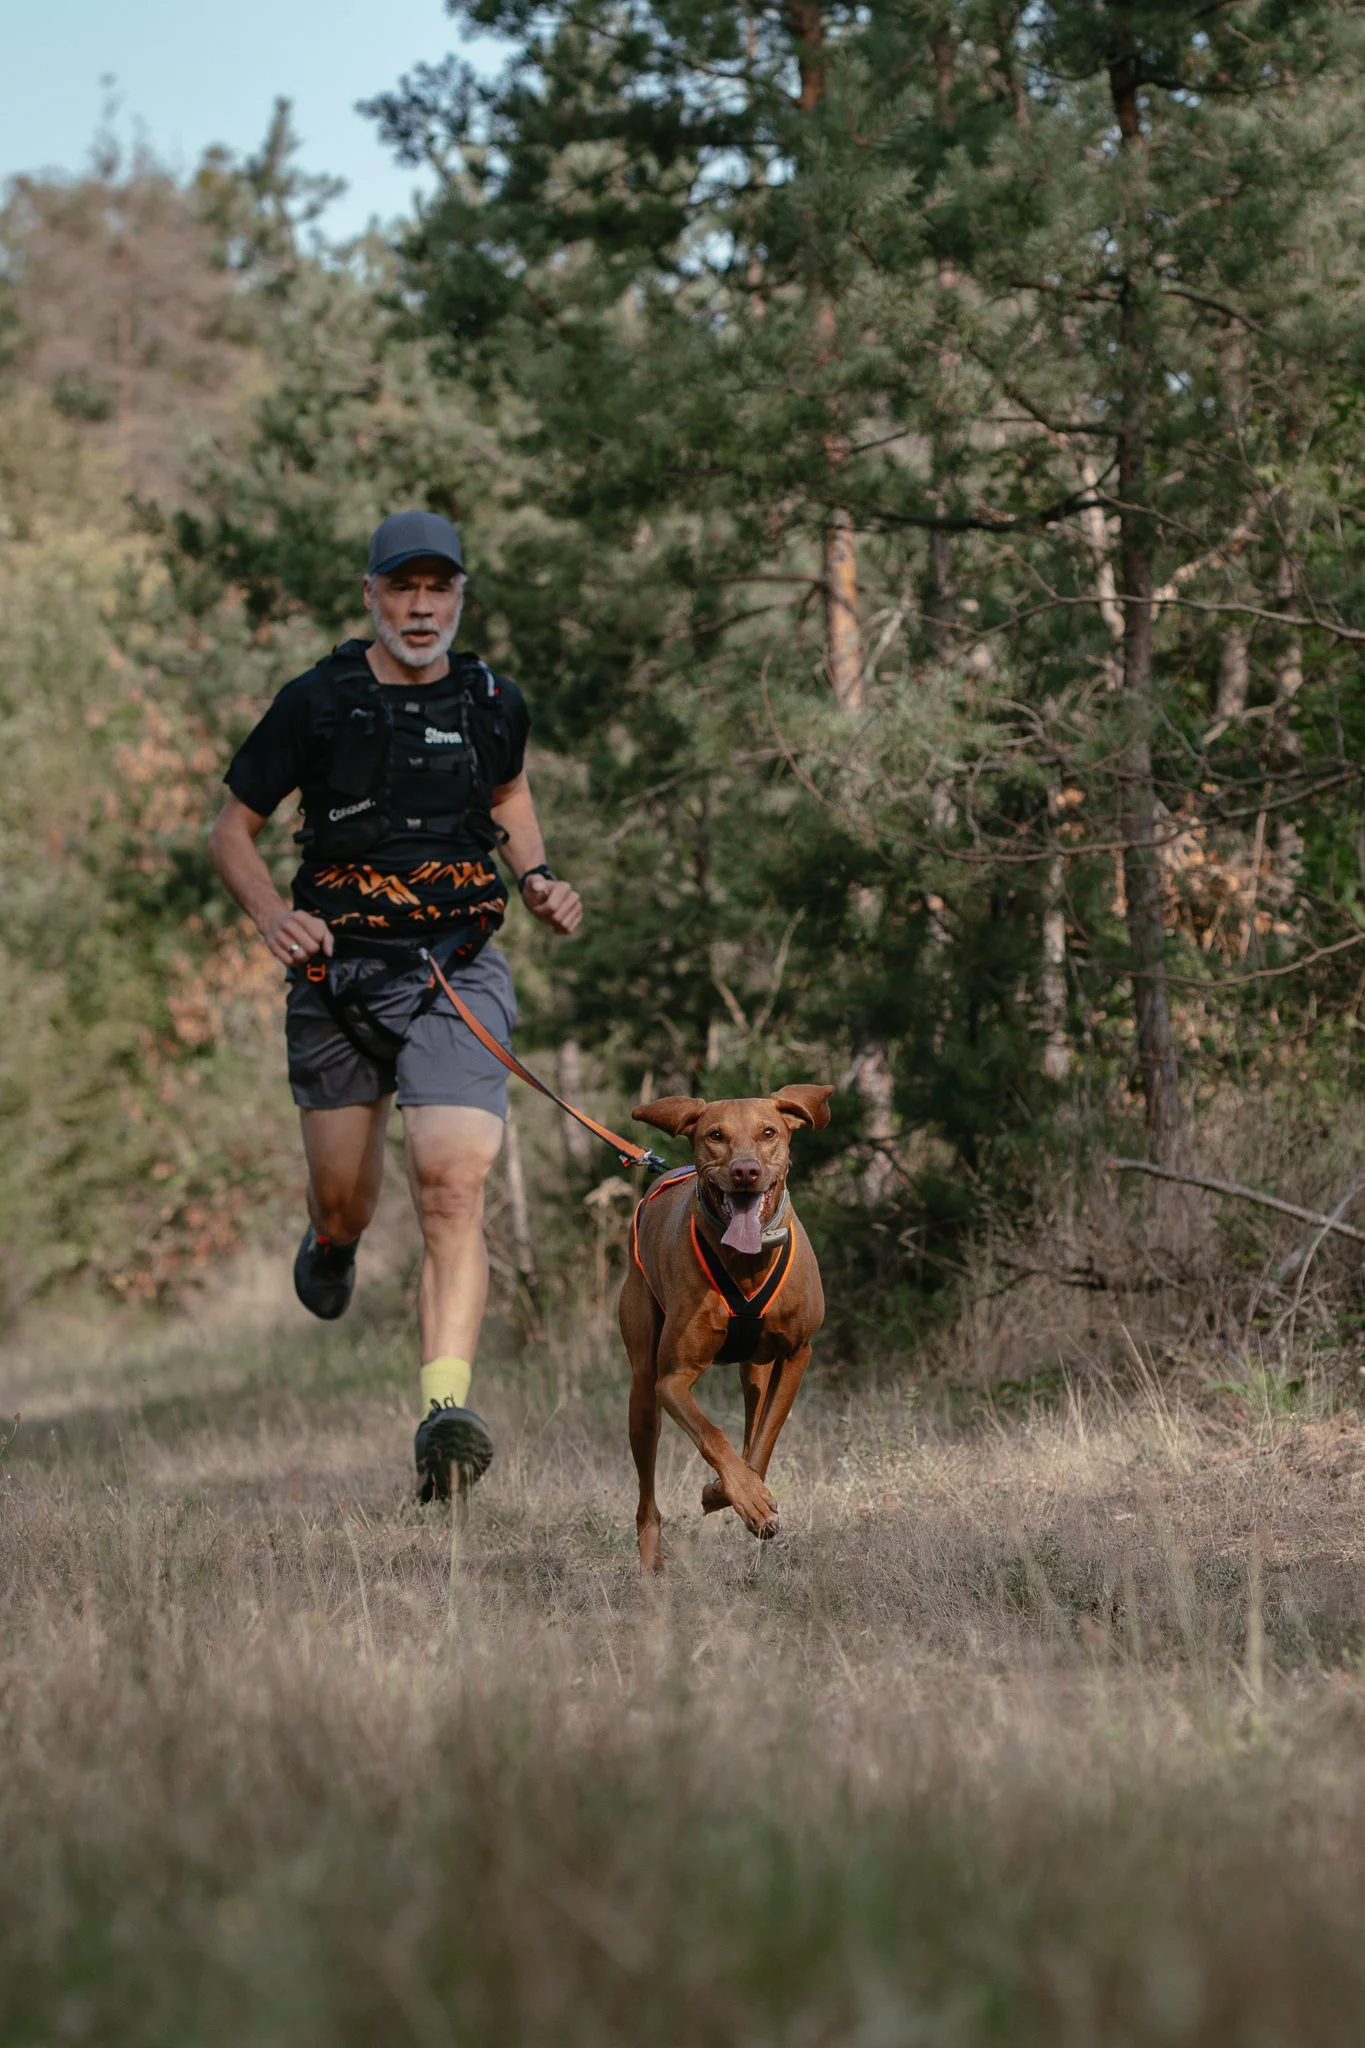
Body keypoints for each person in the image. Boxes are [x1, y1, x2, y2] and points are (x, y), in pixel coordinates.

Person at [208, 510, 582, 1500]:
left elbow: (507, 794)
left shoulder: (494, 698)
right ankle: (331, 1240)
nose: (422, 606)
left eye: (439, 587)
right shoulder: (317, 701)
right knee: (348, 1197)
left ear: (461, 594)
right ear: (370, 594)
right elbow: (231, 831)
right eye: (403, 587)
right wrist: (271, 917)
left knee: (452, 1182)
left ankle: (443, 1415)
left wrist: (539, 876)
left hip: (455, 968)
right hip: (337, 978)